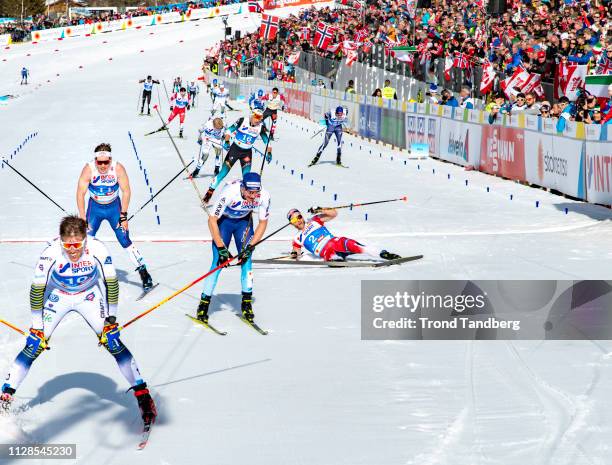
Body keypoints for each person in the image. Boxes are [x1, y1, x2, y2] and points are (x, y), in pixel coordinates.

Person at [0, 215, 156, 427]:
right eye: (67, 244)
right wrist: (37, 328)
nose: (72, 249)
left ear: (85, 239)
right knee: (34, 345)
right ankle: (5, 397)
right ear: (60, 240)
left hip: (88, 296)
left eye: (77, 244)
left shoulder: (98, 248)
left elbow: (111, 284)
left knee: (112, 341)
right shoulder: (50, 253)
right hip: (58, 296)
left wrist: (111, 320)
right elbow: (37, 291)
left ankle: (143, 395)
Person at [76, 143, 153, 291]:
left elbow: (126, 191)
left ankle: (144, 273)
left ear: (110, 160)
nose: (103, 166)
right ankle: (82, 275)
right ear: (95, 160)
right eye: (100, 162)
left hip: (114, 208)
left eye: (106, 162)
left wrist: (123, 216)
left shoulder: (118, 168)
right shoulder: (88, 169)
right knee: (86, 238)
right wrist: (82, 217)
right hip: (95, 208)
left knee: (124, 238)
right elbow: (80, 193)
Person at [196, 172, 270, 324]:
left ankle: (246, 303)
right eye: (250, 192)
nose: (253, 196)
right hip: (224, 223)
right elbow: (212, 220)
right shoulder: (230, 192)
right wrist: (221, 246)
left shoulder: (264, 196)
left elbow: (263, 223)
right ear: (243, 189)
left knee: (247, 259)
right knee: (218, 261)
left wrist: (250, 246)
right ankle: (204, 304)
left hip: (243, 223)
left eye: (256, 193)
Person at [203, 109, 272, 203]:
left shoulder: (260, 127)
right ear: (252, 115)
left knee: (246, 177)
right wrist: (227, 141)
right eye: (256, 117)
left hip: (246, 153)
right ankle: (209, 193)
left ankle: (246, 199)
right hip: (234, 150)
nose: (258, 120)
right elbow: (228, 131)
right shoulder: (242, 120)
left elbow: (267, 142)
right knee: (222, 173)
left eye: (260, 118)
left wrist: (269, 152)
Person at [286, 208, 401, 262]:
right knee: (331, 254)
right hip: (326, 251)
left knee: (356, 246)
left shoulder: (314, 220)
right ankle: (336, 259)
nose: (298, 221)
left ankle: (383, 254)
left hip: (336, 242)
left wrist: (320, 210)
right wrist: (294, 254)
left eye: (299, 217)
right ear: (292, 224)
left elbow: (334, 213)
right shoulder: (297, 238)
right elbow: (296, 252)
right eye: (294, 220)